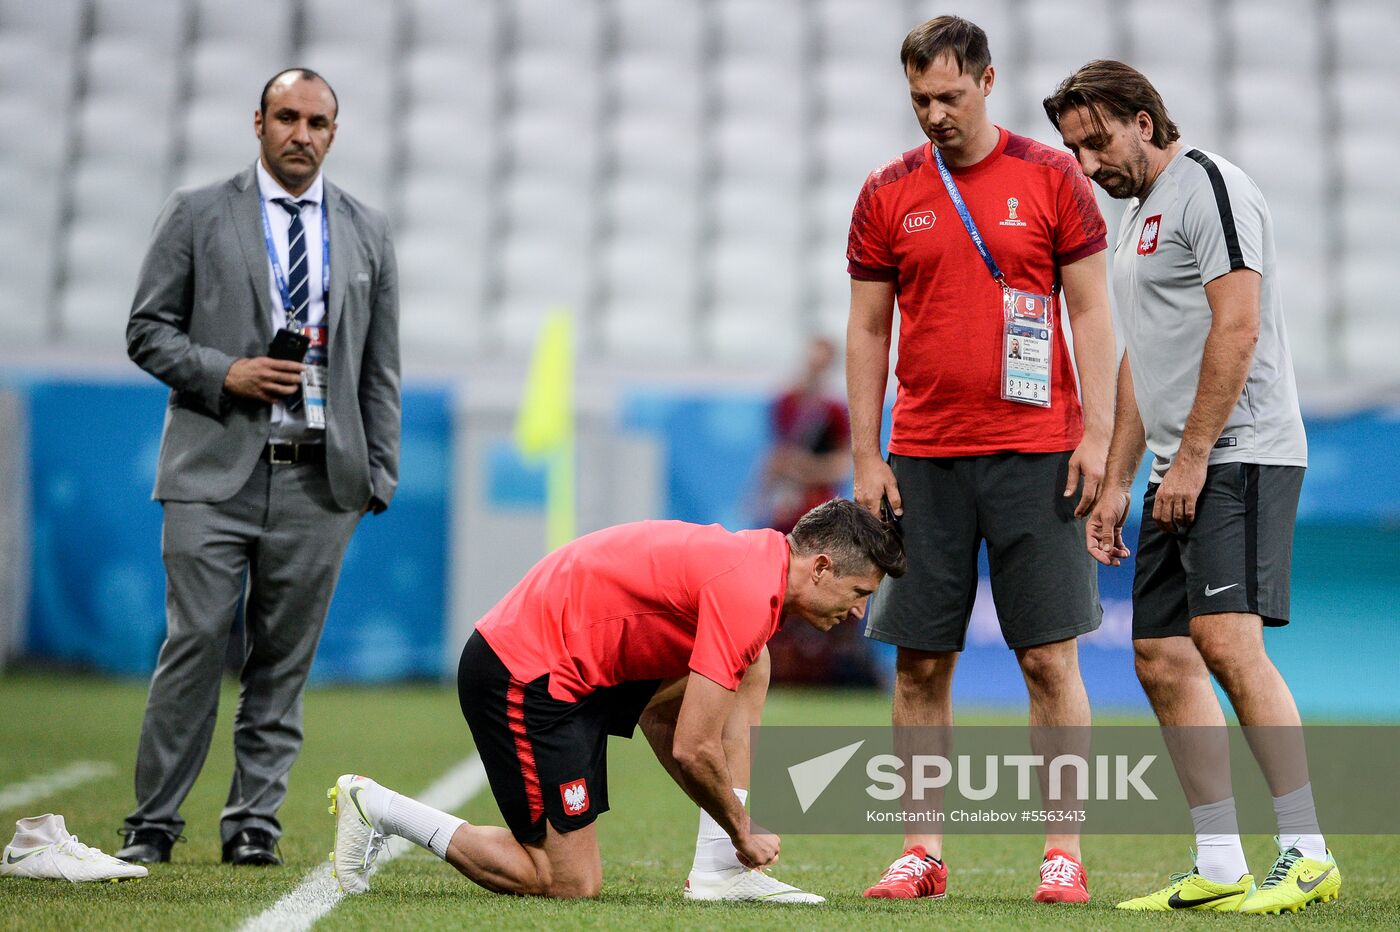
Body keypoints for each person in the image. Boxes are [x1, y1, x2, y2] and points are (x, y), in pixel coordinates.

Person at [1044, 60, 1339, 915]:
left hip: (1242, 451)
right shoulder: (1137, 218)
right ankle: (1218, 860)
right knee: (1160, 657)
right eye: (1074, 150)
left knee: (1226, 644)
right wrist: (1119, 482)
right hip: (1180, 464)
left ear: (1144, 119)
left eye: (1097, 141)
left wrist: (1197, 455)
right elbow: (1147, 355)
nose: (1089, 163)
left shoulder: (1210, 187)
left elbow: (1237, 324)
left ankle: (1307, 850)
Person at [845, 16, 1116, 904]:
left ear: (988, 82)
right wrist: (866, 457)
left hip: (1040, 455)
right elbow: (867, 329)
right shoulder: (886, 193)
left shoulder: (1053, 179)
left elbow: (1092, 314)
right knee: (920, 661)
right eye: (919, 98)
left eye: (949, 96)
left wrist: (1100, 433)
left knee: (1048, 659)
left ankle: (1062, 854)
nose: (933, 113)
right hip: (923, 457)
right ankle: (920, 852)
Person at [328, 500, 905, 901]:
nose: (858, 612)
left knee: (753, 665)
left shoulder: (761, 560)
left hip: (578, 666)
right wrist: (743, 829)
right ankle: (378, 807)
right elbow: (692, 747)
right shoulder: (750, 591)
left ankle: (719, 874)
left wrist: (733, 836)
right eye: (859, 593)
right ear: (822, 566)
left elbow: (669, 722)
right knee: (567, 882)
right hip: (524, 675)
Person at [116, 68, 401, 867]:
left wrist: (378, 472)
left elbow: (380, 365)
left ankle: (253, 824)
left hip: (320, 480)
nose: (300, 134)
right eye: (286, 117)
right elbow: (145, 330)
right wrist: (225, 372)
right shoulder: (198, 213)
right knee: (195, 645)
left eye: (316, 121)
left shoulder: (368, 230)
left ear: (333, 134)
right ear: (259, 122)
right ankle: (152, 825)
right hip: (213, 472)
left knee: (283, 663)